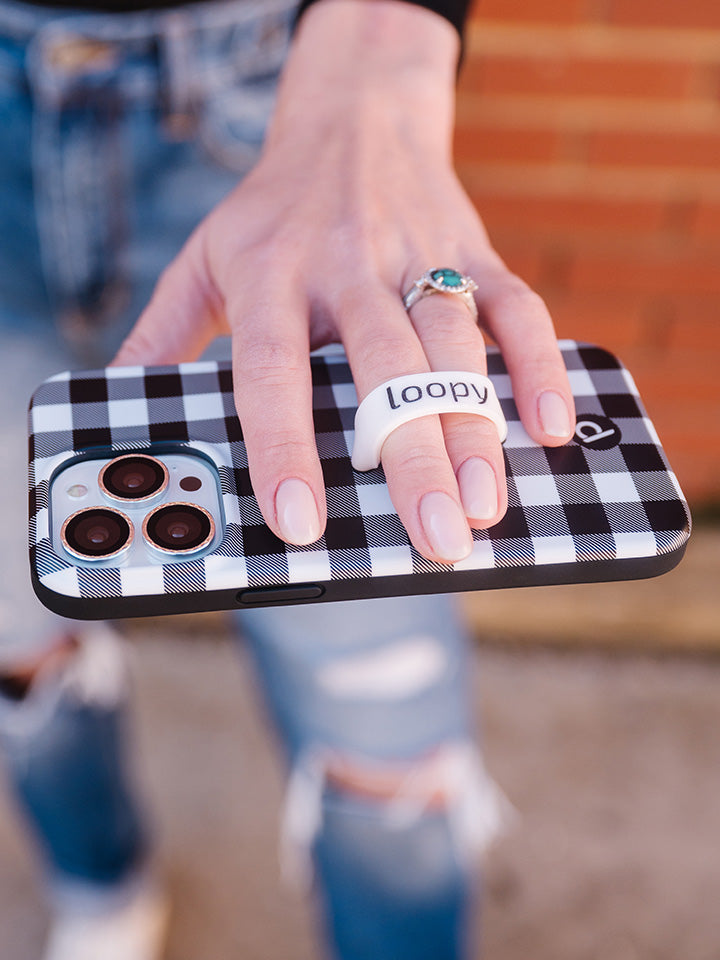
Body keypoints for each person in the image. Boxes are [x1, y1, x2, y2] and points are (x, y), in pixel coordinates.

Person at [0, 0, 576, 958]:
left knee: (381, 711)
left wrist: (378, 57)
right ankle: (101, 885)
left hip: (261, 96)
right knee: (17, 626)